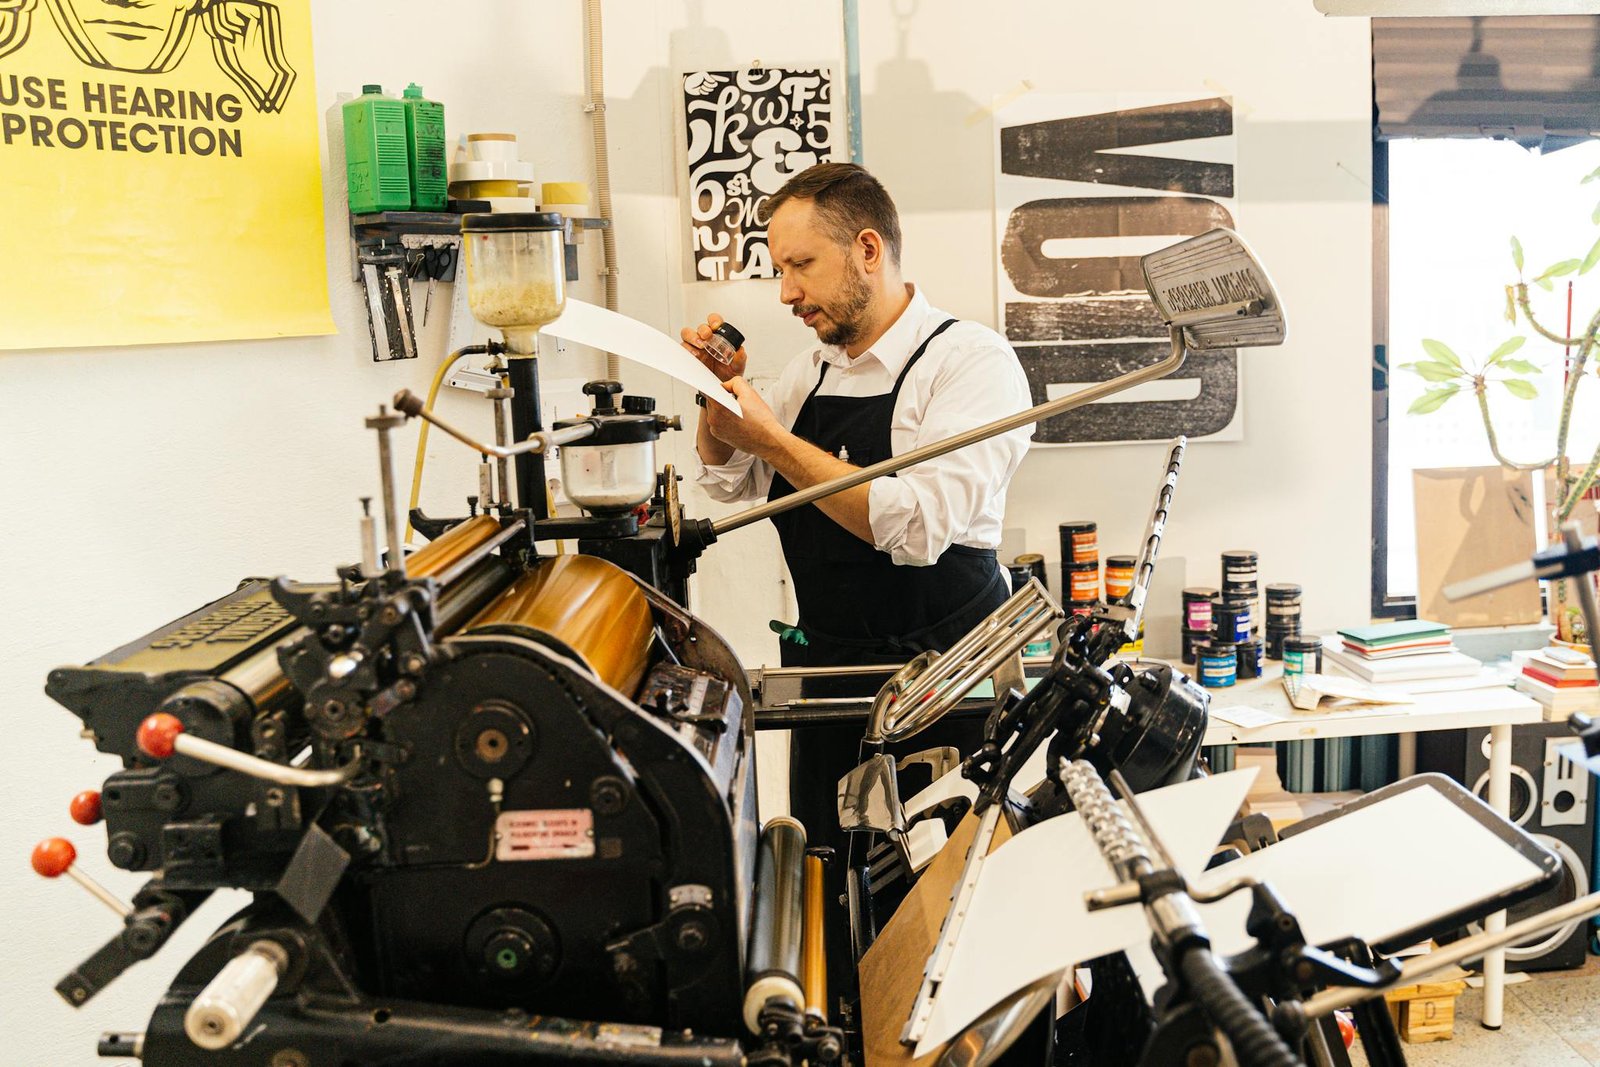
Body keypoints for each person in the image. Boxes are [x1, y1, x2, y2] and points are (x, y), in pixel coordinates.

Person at [684, 163, 1033, 1002]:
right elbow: (726, 482)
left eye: (799, 266)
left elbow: (913, 526)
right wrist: (716, 400)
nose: (784, 292)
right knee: (833, 908)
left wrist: (769, 439)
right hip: (836, 685)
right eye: (778, 269)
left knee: (949, 922)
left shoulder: (972, 364)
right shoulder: (810, 374)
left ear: (867, 250)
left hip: (946, 685)